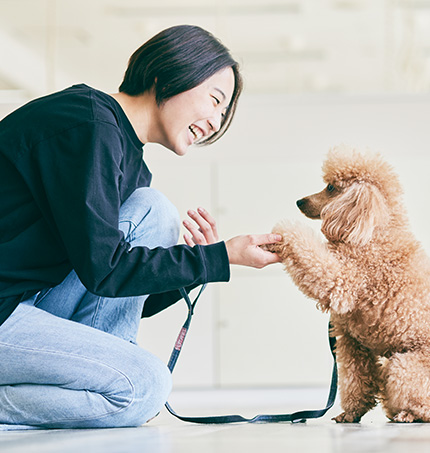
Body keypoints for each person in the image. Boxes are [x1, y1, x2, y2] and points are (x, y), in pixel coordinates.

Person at [0, 24, 281, 429]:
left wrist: (195, 268)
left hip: (27, 304)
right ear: (168, 72)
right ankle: (108, 394)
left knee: (153, 210)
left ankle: (105, 391)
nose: (216, 123)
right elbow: (106, 270)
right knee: (146, 386)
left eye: (223, 114)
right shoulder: (88, 124)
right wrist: (214, 258)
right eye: (215, 100)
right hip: (6, 309)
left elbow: (125, 300)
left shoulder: (129, 161)